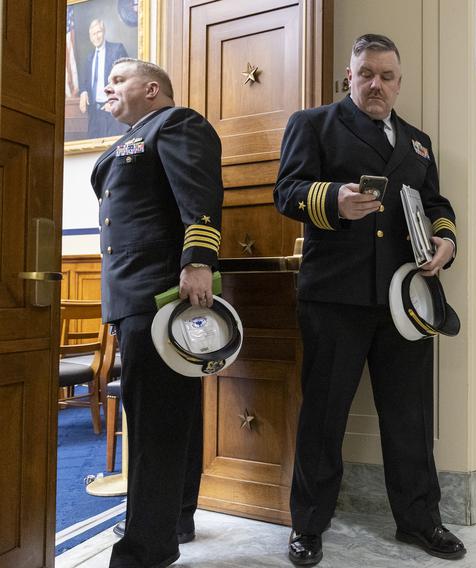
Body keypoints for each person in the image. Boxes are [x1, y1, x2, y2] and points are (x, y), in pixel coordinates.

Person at [273, 34, 465, 566]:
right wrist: (334, 198)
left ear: (399, 83)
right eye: (366, 74)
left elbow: (436, 203)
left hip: (404, 299)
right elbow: (286, 191)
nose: (376, 84)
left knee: (409, 417)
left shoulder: (418, 141)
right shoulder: (313, 124)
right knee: (324, 417)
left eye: (386, 76)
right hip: (335, 298)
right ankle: (309, 525)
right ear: (349, 78)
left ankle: (420, 520)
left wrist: (446, 240)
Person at [91, 58, 222, 568]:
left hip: (158, 295)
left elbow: (200, 197)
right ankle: (174, 521)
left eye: (118, 79)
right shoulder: (131, 138)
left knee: (153, 426)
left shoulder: (176, 122)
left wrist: (198, 262)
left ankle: (145, 549)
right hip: (135, 297)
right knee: (171, 418)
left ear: (151, 89)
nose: (108, 86)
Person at [79, 19, 129, 138]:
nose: (96, 37)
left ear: (104, 32)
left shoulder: (117, 49)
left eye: (98, 32)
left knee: (112, 150)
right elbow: (85, 82)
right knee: (92, 150)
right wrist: (84, 92)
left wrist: (113, 100)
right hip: (94, 112)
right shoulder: (89, 58)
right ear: (90, 37)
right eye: (93, 34)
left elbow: (126, 78)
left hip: (112, 110)